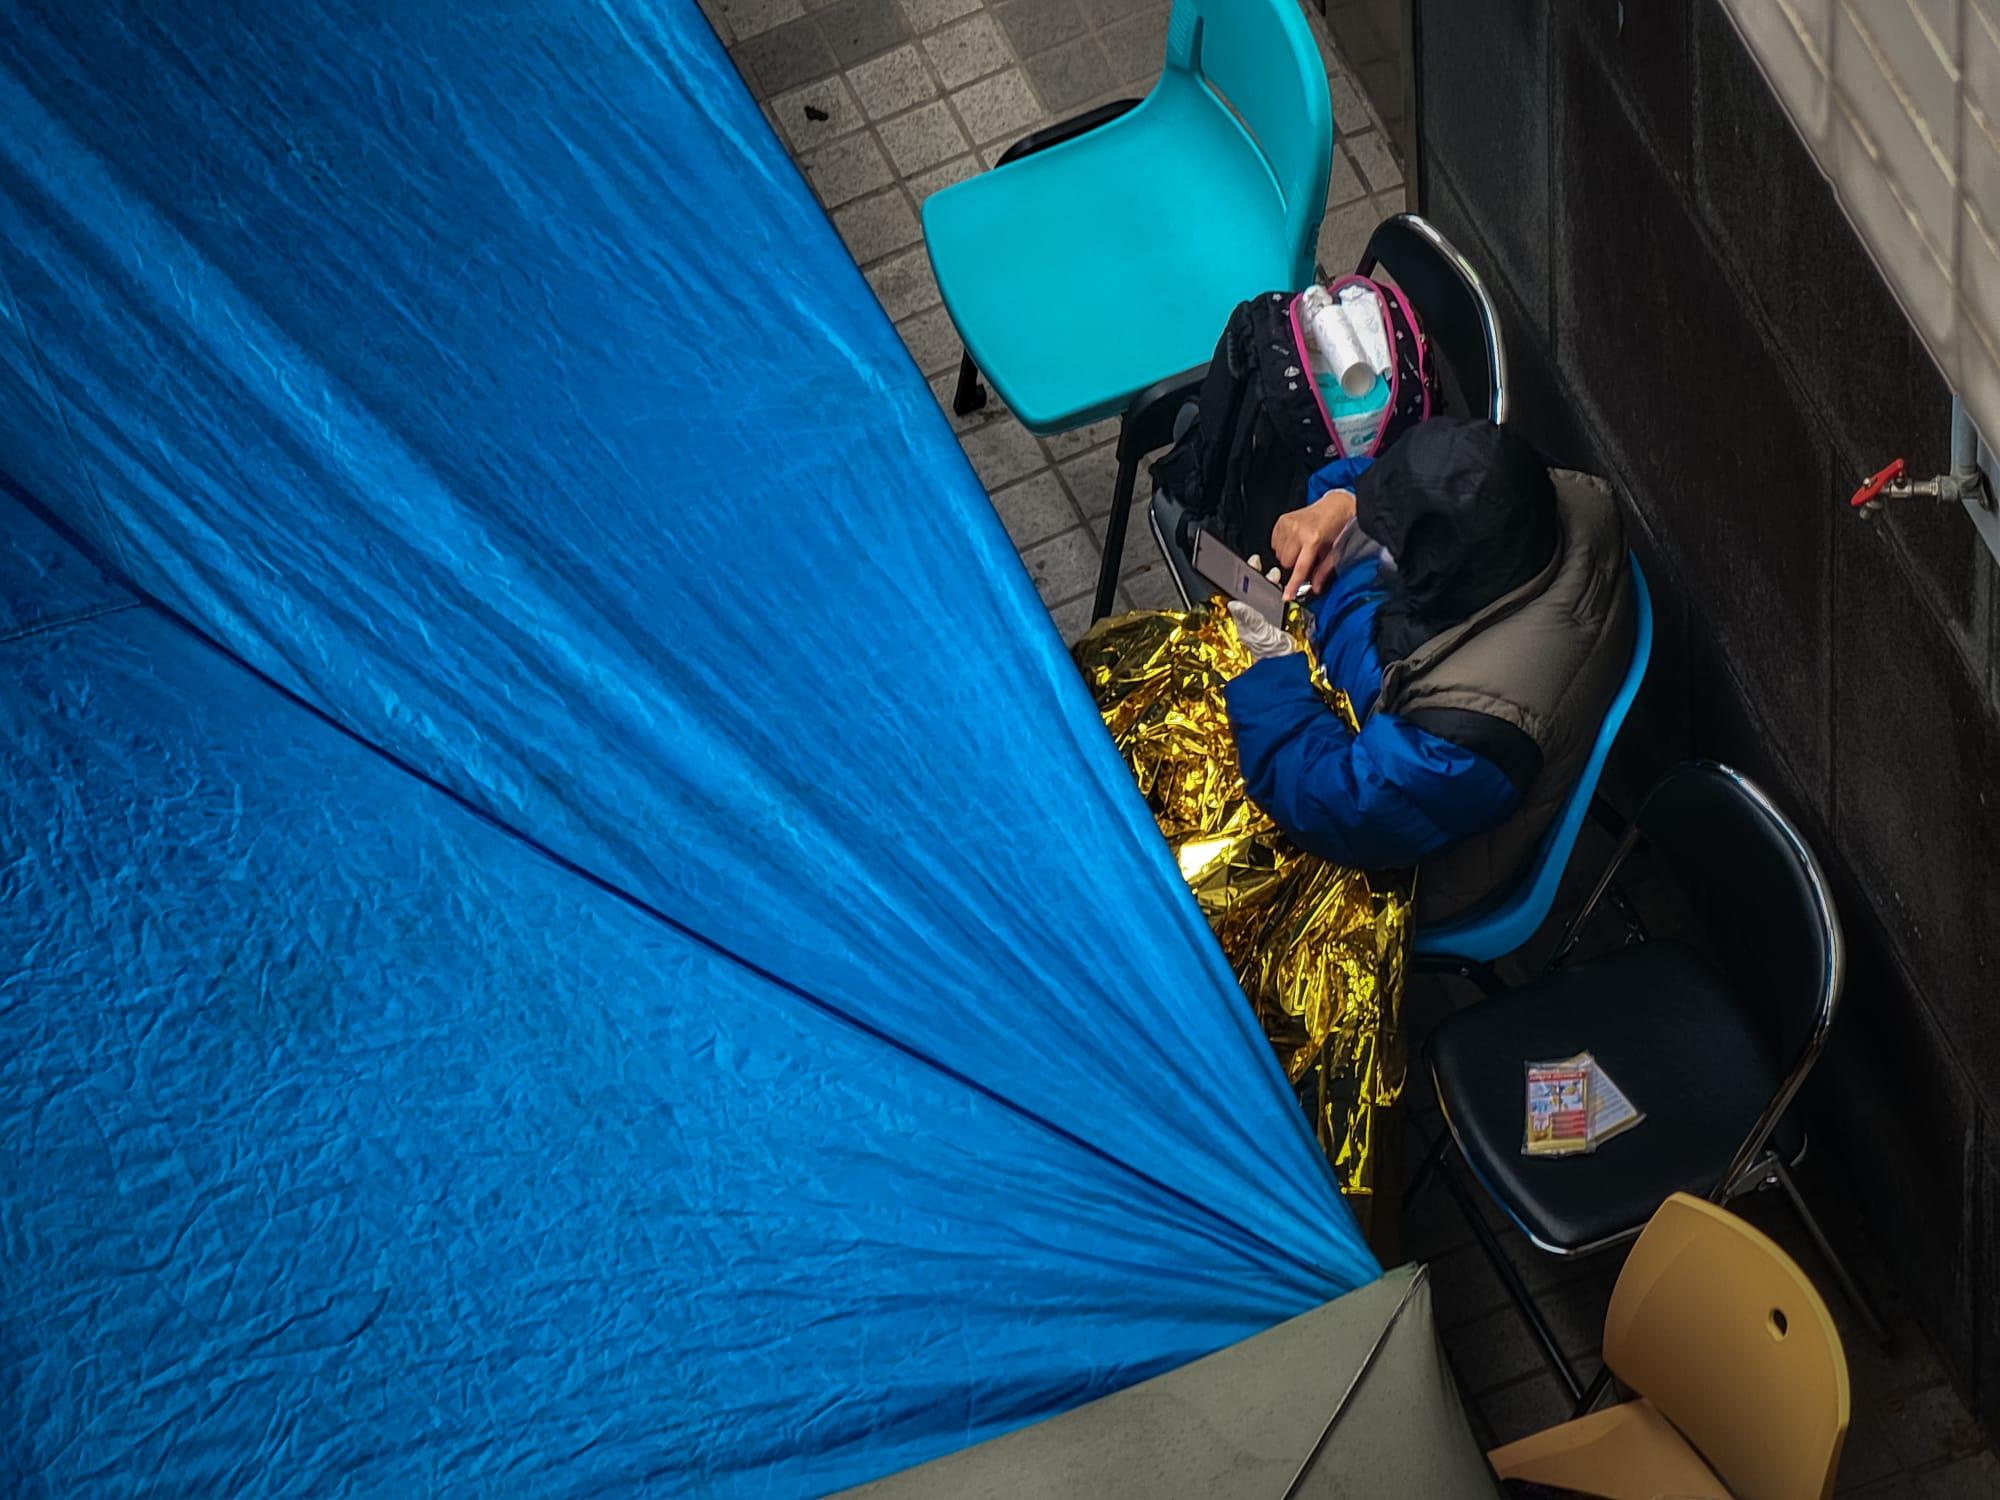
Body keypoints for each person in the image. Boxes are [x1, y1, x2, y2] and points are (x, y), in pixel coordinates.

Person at [1224, 416, 1633, 923]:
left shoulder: (1469, 724)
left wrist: (1274, 674)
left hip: (1404, 870)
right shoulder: (1529, 499)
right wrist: (1343, 504)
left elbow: (1339, 804)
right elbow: (1416, 484)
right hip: (1410, 770)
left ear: (1432, 575)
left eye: (1392, 544)